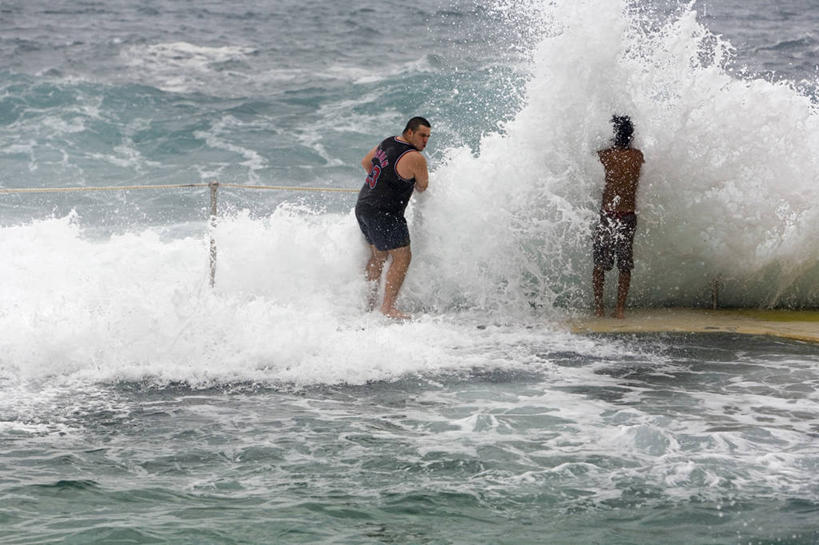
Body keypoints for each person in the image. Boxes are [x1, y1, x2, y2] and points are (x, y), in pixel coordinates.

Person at [355, 116, 431, 319]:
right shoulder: (415, 158)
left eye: (428, 137)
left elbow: (366, 162)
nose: (425, 141)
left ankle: (368, 304)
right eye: (422, 135)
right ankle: (388, 308)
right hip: (385, 214)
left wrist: (384, 182)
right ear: (409, 133)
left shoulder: (388, 142)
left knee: (378, 255)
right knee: (402, 257)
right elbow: (423, 186)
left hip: (363, 206)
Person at [593, 115, 644, 319]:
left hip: (607, 214)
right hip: (628, 214)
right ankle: (620, 310)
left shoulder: (604, 155)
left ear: (613, 135)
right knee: (625, 265)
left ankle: (599, 309)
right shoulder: (638, 157)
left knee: (599, 264)